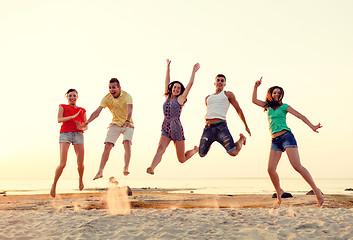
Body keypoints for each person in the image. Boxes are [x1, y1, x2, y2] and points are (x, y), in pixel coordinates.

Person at [252, 77, 324, 206]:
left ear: (281, 95)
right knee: (270, 169)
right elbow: (254, 100)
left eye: (279, 93)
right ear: (270, 94)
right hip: (275, 140)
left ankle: (316, 190)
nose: (277, 94)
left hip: (287, 137)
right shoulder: (267, 106)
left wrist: (312, 126)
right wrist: (256, 87)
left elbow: (300, 116)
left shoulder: (284, 106)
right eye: (275, 92)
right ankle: (279, 191)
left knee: (297, 166)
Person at [146, 59, 200, 175]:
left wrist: (194, 71)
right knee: (160, 148)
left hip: (176, 128)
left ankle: (195, 150)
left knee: (181, 159)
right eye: (174, 87)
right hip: (166, 126)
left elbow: (190, 85)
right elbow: (167, 81)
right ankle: (152, 167)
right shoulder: (167, 97)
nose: (176, 89)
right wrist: (168, 68)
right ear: (172, 88)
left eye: (178, 88)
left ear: (181, 91)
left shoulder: (180, 99)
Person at [81, 78, 134, 179]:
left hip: (128, 123)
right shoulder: (106, 98)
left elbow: (130, 109)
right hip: (115, 124)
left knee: (127, 142)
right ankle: (100, 171)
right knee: (107, 145)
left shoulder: (127, 96)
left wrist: (127, 120)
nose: (111, 90)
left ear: (119, 88)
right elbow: (97, 112)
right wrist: (87, 122)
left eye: (114, 87)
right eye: (110, 88)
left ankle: (126, 167)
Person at [198, 74, 251, 158]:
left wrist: (246, 125)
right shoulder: (208, 98)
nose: (220, 82)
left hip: (221, 127)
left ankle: (242, 139)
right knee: (201, 154)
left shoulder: (228, 94)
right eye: (218, 80)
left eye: (222, 81)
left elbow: (239, 110)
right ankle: (210, 141)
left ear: (225, 84)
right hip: (208, 128)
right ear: (214, 83)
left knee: (233, 152)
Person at [50, 89, 87, 198]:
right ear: (67, 97)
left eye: (74, 96)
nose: (72, 97)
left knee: (80, 163)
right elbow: (59, 119)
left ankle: (80, 180)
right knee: (62, 163)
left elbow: (86, 125)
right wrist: (72, 117)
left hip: (78, 134)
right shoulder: (63, 106)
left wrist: (81, 126)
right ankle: (54, 185)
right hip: (65, 134)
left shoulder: (82, 110)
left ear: (77, 97)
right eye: (70, 96)